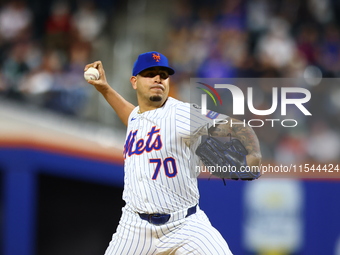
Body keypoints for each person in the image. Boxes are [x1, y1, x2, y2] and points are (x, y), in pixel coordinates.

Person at [84, 51, 262, 254]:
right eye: (150, 73)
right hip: (134, 227)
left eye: (163, 74)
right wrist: (105, 89)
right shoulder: (137, 117)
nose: (158, 78)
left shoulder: (182, 113)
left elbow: (234, 125)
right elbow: (131, 115)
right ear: (134, 82)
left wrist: (254, 154)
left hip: (185, 225)